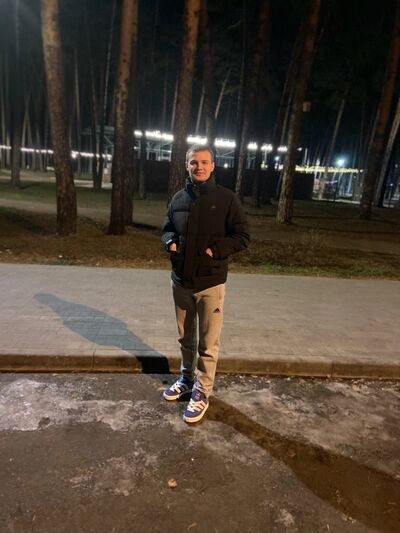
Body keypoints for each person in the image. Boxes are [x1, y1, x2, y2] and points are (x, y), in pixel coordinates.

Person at [161, 144, 250, 423]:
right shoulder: (178, 198)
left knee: (208, 344)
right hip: (180, 281)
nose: (198, 167)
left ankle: (202, 391)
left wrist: (214, 251)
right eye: (193, 162)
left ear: (212, 166)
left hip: (210, 282)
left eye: (204, 162)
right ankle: (187, 379)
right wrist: (169, 241)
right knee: (185, 338)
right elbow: (167, 228)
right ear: (186, 165)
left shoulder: (226, 199)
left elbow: (242, 236)